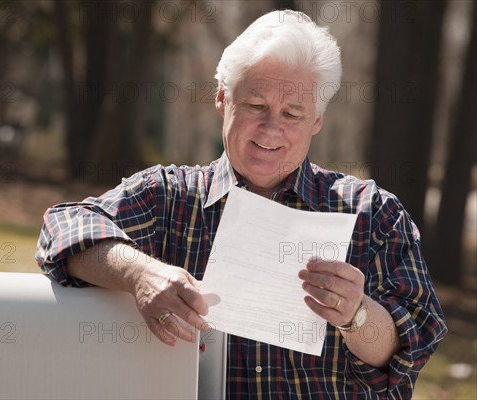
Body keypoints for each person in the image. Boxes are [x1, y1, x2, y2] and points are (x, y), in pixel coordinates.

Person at [36, 10, 447, 398]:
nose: (272, 128)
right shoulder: (169, 196)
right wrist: (140, 274)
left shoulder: (370, 212)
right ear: (222, 98)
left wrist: (357, 313)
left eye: (293, 113)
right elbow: (65, 226)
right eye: (255, 105)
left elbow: (413, 346)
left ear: (317, 121)